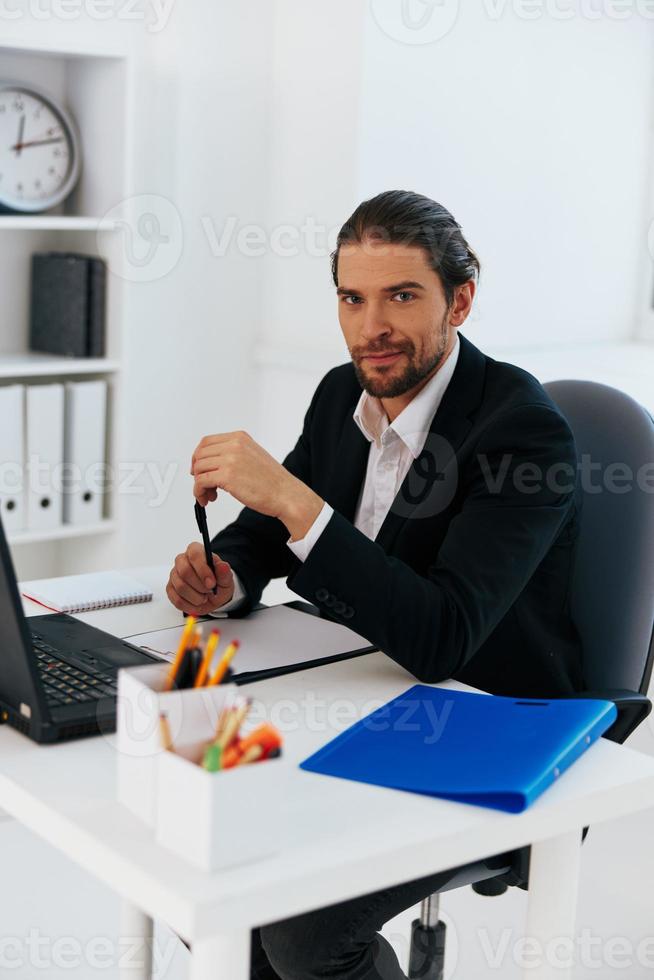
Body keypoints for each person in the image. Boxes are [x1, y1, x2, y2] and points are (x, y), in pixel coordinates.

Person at [166, 190, 585, 979]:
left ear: (459, 300)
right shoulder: (340, 395)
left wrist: (295, 503)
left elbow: (442, 638)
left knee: (303, 931)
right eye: (352, 299)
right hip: (359, 697)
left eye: (401, 296)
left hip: (488, 722)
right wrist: (225, 579)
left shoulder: (522, 430)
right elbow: (266, 534)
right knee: (201, 856)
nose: (371, 328)